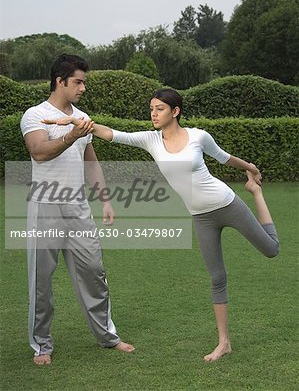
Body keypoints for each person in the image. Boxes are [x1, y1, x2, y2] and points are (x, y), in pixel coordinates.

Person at [44, 88, 279, 362]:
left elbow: (224, 158)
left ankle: (258, 196)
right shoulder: (150, 140)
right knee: (217, 277)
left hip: (227, 204)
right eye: (152, 108)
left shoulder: (199, 136)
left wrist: (249, 168)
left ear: (175, 111)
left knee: (271, 249)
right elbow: (111, 134)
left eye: (160, 109)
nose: (153, 113)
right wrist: (78, 123)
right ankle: (224, 342)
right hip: (201, 216)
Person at [20, 53, 135, 365]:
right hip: (45, 205)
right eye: (78, 82)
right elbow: (39, 152)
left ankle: (107, 337)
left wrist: (106, 198)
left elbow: (91, 162)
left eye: (84, 81)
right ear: (60, 82)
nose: (83, 87)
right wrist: (72, 134)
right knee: (41, 279)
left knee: (94, 272)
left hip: (78, 207)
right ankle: (41, 345)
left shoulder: (82, 117)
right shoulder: (35, 115)